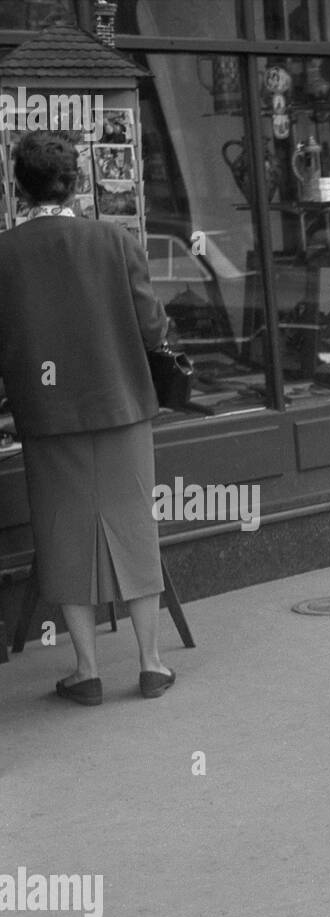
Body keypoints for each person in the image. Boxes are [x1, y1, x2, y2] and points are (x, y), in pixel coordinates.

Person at [0, 130, 174, 704]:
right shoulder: (114, 240)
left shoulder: (5, 253)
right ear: (75, 182)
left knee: (63, 534)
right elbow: (152, 329)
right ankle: (151, 665)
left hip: (48, 415)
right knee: (134, 526)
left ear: (17, 186)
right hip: (122, 403)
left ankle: (87, 671)